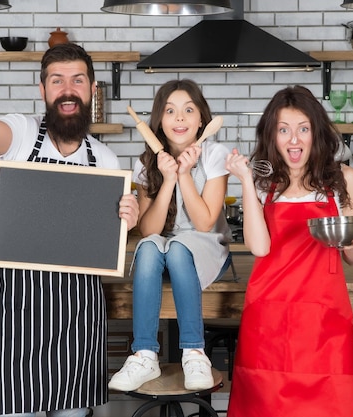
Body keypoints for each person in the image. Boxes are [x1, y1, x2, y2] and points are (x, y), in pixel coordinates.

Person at [0, 43, 139, 417]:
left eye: (77, 80)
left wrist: (126, 222)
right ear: (42, 90)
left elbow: (105, 241)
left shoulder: (104, 159)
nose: (67, 89)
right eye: (57, 80)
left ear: (91, 88)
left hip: (78, 313)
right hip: (20, 312)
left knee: (73, 413)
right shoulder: (21, 135)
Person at [224, 85, 353, 417]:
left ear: (316, 132)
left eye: (303, 129)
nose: (294, 139)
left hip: (325, 322)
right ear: (272, 136)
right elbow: (259, 247)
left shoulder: (343, 181)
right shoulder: (264, 185)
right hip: (269, 321)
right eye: (284, 130)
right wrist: (245, 180)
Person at [108, 79, 231, 392]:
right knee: (149, 245)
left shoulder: (215, 155)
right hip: (164, 245)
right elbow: (148, 229)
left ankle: (194, 351)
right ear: (159, 122)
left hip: (204, 245)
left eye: (188, 110)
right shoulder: (147, 162)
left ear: (201, 119)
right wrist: (167, 179)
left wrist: (186, 175)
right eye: (170, 111)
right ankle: (145, 354)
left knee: (177, 247)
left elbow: (204, 223)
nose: (179, 118)